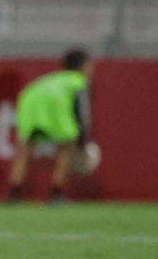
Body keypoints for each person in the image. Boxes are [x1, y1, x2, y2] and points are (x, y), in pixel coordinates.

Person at [7, 49, 98, 203]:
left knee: (25, 150)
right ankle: (56, 193)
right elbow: (82, 115)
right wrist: (84, 142)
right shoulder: (78, 81)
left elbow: (29, 93)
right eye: (90, 65)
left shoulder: (52, 79)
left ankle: (13, 193)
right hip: (52, 110)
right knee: (66, 148)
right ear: (84, 66)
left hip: (30, 103)